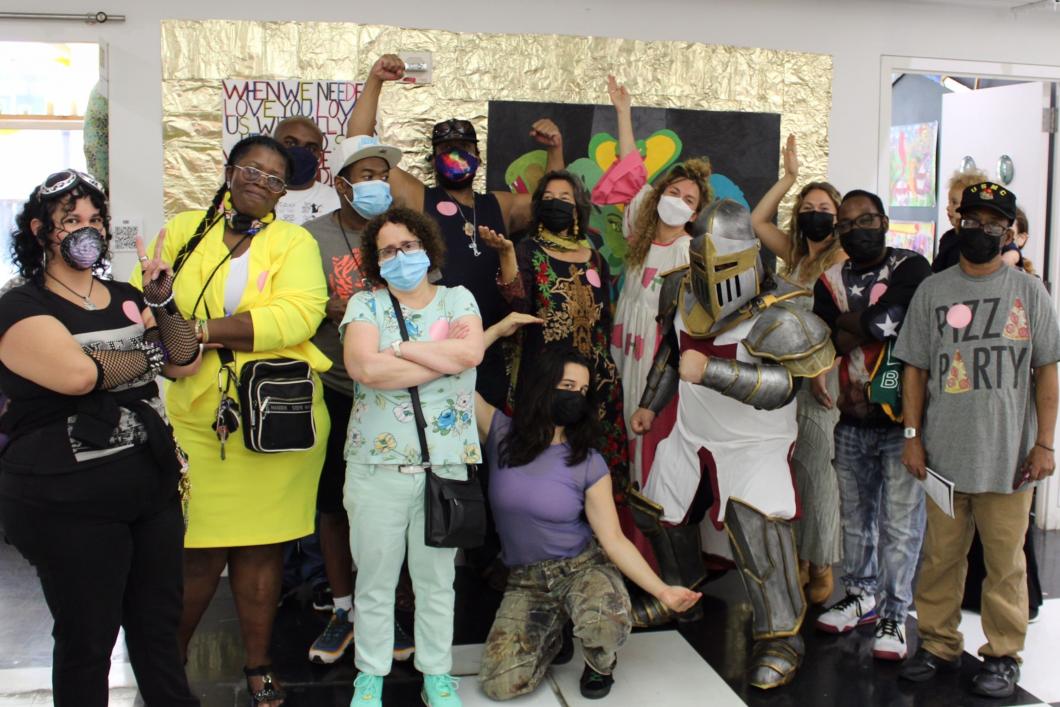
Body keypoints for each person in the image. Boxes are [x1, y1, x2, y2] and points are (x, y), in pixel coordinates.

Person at [132, 135, 331, 706]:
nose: (262, 182)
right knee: (195, 549)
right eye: (253, 169)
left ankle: (260, 666)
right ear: (229, 169)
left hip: (274, 419)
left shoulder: (293, 242)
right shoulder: (182, 230)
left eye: (275, 178)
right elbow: (145, 301)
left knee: (261, 548)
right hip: (195, 416)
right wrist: (170, 325)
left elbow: (298, 314)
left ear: (284, 190)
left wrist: (200, 331)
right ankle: (168, 672)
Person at [0, 170, 201, 706]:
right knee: (88, 638)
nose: (84, 232)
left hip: (149, 488)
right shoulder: (21, 306)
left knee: (158, 629)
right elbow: (80, 376)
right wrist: (142, 355)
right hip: (68, 499)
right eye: (71, 221)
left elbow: (185, 360)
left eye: (93, 220)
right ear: (42, 230)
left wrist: (163, 302)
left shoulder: (126, 296)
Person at [632, 198, 836, 689]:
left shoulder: (784, 312)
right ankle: (681, 592)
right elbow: (669, 353)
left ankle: (782, 634)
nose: (710, 275)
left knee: (759, 529)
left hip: (756, 442)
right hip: (693, 430)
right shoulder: (679, 288)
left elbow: (783, 387)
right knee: (659, 507)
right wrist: (649, 404)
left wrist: (713, 371)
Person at [896, 182, 1059, 699]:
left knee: (1006, 563)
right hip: (943, 456)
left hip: (1009, 458)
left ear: (1009, 231)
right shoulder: (934, 291)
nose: (981, 229)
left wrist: (1046, 444)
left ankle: (1003, 655)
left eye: (994, 223)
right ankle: (938, 643)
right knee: (940, 557)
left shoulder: (1030, 292)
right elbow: (915, 371)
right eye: (973, 219)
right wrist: (912, 436)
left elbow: (1048, 371)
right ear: (957, 222)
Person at [473, 336, 701, 701]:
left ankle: (600, 660)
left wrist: (662, 591)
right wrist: (496, 330)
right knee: (500, 686)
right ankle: (555, 632)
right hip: (527, 580)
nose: (574, 397)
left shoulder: (587, 460)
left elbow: (613, 539)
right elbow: (457, 376)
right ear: (543, 386)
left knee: (604, 622)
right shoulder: (501, 432)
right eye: (566, 387)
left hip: (580, 568)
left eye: (582, 390)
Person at [346, 53, 564, 409]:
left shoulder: (500, 204)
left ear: (477, 154)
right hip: (432, 344)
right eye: (446, 150)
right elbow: (359, 144)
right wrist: (376, 81)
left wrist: (555, 149)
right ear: (433, 159)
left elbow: (553, 198)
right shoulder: (418, 197)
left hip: (490, 345)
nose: (455, 156)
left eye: (463, 149)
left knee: (484, 446)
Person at [340, 207, 484, 707]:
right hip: (376, 467)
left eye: (408, 245)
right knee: (375, 580)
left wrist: (398, 350)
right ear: (374, 261)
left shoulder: (458, 298)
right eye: (387, 250)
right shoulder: (365, 305)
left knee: (437, 582)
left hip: (444, 468)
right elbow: (364, 368)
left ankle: (437, 675)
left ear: (426, 247)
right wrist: (432, 356)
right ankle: (371, 675)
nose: (400, 256)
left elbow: (470, 355)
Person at [812, 189, 932, 661]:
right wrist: (863, 325)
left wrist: (853, 325)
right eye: (846, 224)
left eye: (866, 220)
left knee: (901, 523)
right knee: (855, 520)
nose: (856, 230)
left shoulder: (911, 267)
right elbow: (824, 336)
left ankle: (894, 613)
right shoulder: (829, 278)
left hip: (904, 421)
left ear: (884, 220)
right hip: (850, 419)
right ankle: (860, 594)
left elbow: (892, 322)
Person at [302, 134, 404, 664]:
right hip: (337, 388)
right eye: (364, 175)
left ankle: (386, 607)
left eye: (381, 175)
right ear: (339, 183)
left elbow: (426, 297)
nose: (375, 184)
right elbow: (297, 308)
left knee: (393, 505)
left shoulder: (404, 235)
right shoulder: (309, 239)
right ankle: (344, 608)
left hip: (394, 390)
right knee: (334, 503)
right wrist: (333, 309)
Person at [592, 75, 711, 499]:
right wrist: (624, 112)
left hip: (654, 353)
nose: (678, 199)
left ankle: (643, 529)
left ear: (695, 214)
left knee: (644, 431)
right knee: (613, 426)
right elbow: (631, 172)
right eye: (674, 191)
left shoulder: (688, 254)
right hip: (621, 344)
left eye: (689, 199)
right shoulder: (640, 235)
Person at [483, 171, 629, 485]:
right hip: (545, 374)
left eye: (564, 199)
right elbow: (517, 302)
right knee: (545, 458)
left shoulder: (595, 260)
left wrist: (606, 373)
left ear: (577, 208)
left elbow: (604, 320)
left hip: (594, 378)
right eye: (548, 199)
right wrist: (506, 255)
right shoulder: (528, 249)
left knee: (591, 460)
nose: (555, 204)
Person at [750, 133, 846, 604]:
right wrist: (788, 177)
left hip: (819, 382)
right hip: (785, 380)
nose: (815, 212)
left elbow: (841, 323)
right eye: (808, 205)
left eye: (824, 206)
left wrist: (825, 369)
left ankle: (823, 563)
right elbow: (756, 219)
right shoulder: (795, 254)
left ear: (838, 215)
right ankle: (803, 558)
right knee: (792, 471)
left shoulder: (841, 258)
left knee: (816, 472)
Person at [271, 116, 341, 225]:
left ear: (320, 156)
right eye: (290, 143)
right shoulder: (256, 195)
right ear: (272, 146)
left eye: (311, 148)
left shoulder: (337, 202)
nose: (300, 152)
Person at [932, 168, 989, 272]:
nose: (948, 208)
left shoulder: (981, 239)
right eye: (949, 202)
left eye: (954, 203)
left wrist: (1013, 253)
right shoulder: (948, 238)